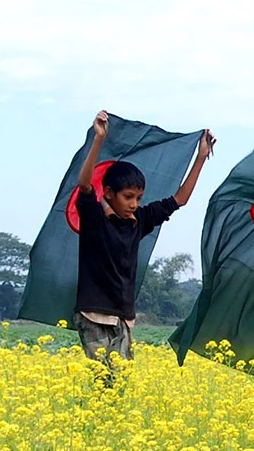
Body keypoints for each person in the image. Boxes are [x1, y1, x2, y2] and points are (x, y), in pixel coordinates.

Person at [74, 110, 216, 366]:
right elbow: (84, 185)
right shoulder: (94, 217)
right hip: (94, 313)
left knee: (119, 380)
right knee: (100, 378)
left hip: (124, 316)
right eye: (128, 197)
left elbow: (179, 199)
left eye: (138, 198)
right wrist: (98, 139)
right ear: (108, 193)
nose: (134, 204)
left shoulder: (139, 221)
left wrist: (201, 158)